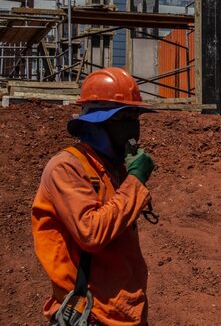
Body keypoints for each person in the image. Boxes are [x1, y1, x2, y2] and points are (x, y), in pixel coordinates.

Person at [32, 67, 156, 326]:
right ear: (99, 123)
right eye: (125, 118)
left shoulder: (113, 169)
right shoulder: (67, 167)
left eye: (136, 118)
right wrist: (135, 182)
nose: (134, 127)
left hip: (124, 313)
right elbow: (91, 233)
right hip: (89, 313)